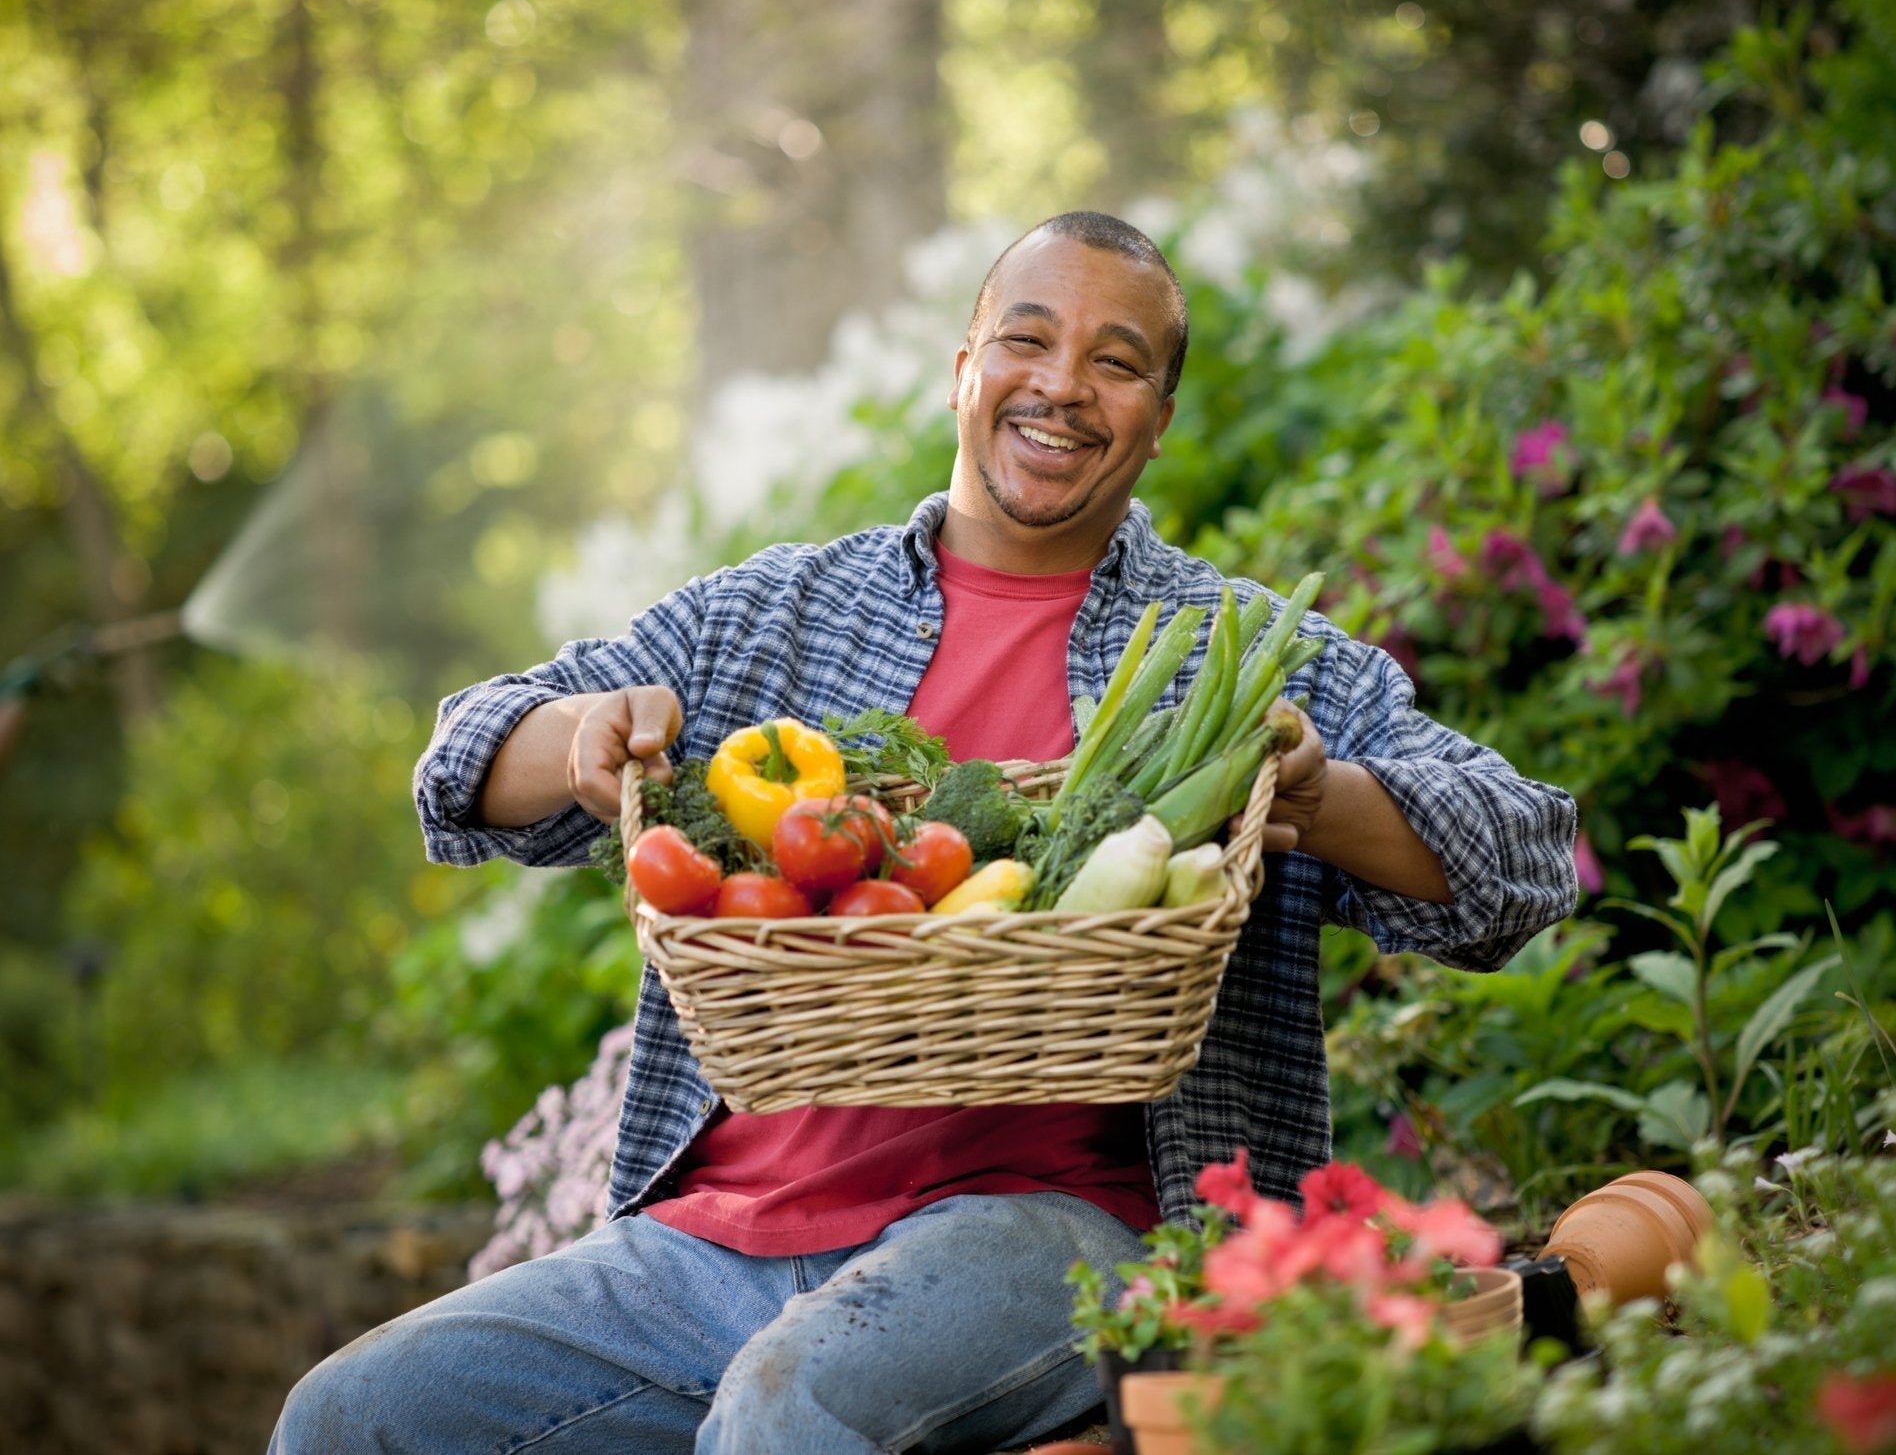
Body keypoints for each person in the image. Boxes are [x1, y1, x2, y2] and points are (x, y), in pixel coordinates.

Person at [272, 211, 1577, 1453]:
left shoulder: (1237, 658)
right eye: (1027, 340)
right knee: (349, 1424)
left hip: (1057, 1230)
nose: (1062, 385)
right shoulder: (776, 616)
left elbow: (1524, 860)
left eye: (1116, 364)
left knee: (788, 1414)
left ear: (1160, 423)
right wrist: (581, 737)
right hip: (714, 1241)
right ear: (963, 368)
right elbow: (461, 757)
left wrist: (1314, 792)